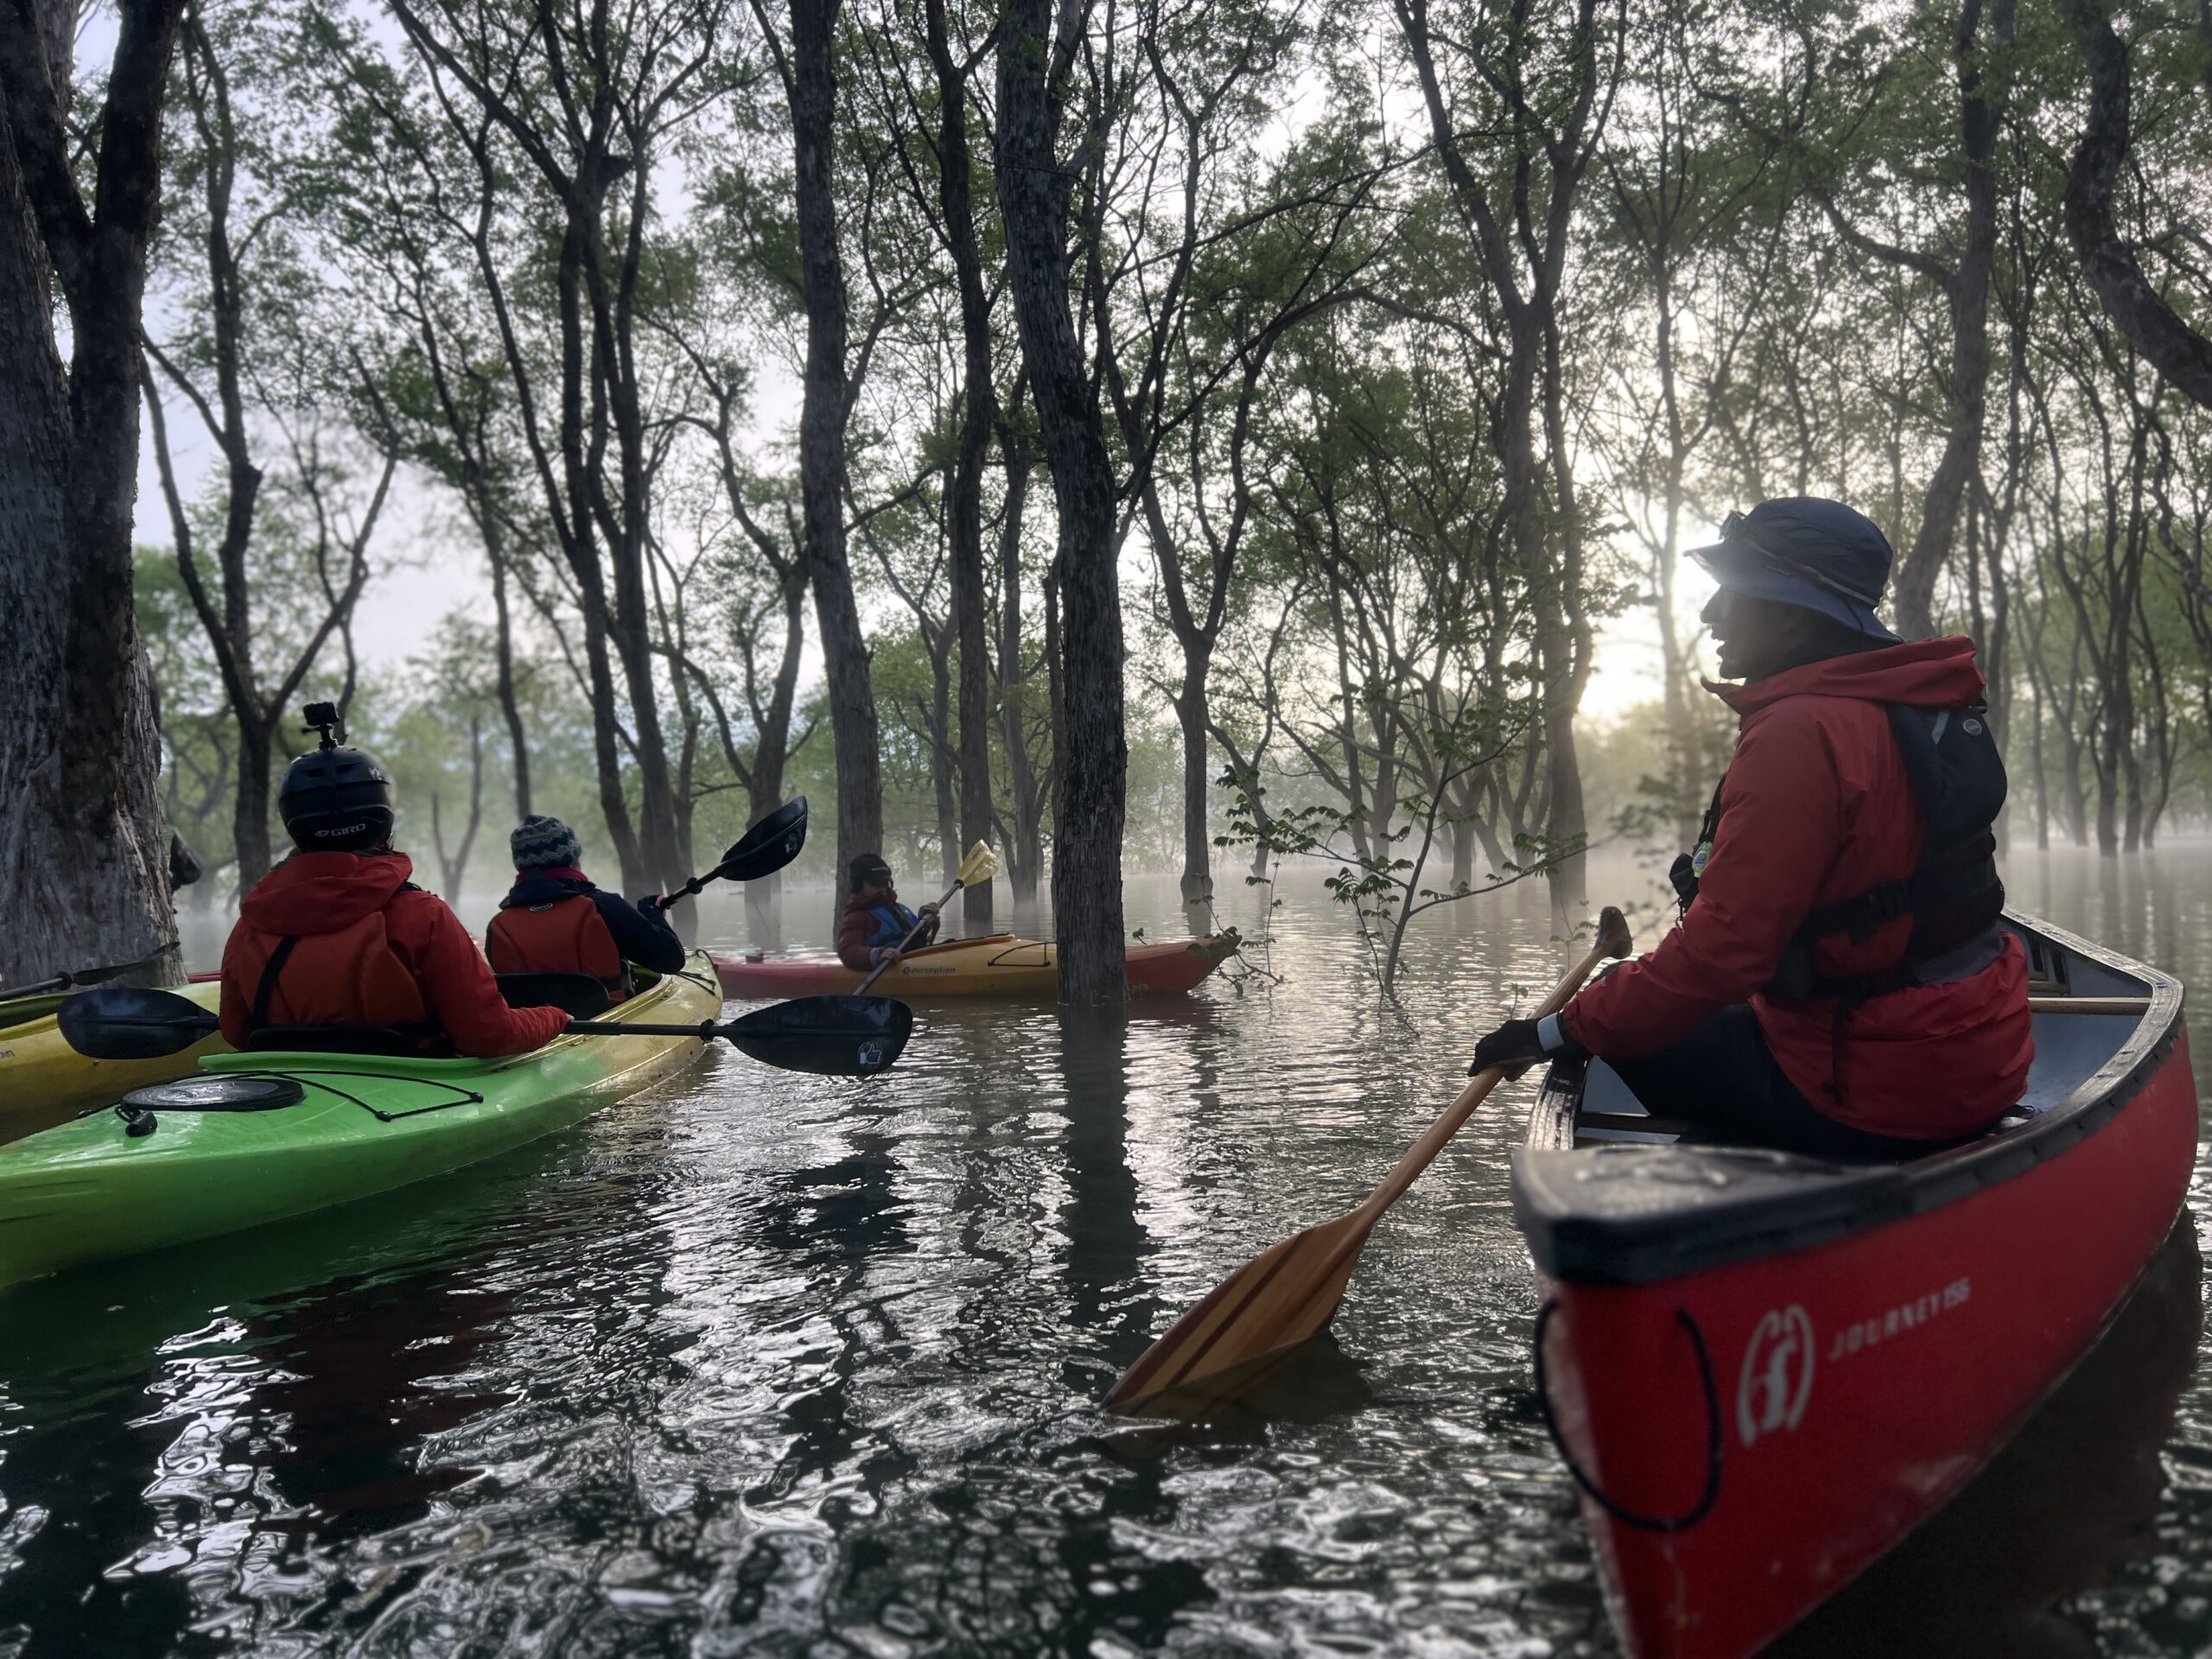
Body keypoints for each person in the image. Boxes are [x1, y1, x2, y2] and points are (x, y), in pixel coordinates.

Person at [1471, 498, 2033, 1160]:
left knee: (1621, 1033)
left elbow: (1722, 957)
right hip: (1987, 1057)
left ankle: (1764, 1177)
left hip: (1881, 1090)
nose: (1710, 614)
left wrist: (1550, 1034)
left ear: (1793, 617)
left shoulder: (1801, 730)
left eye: (1731, 594)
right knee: (1662, 1012)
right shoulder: (1907, 702)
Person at [219, 704, 570, 1058]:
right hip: (417, 1093)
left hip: (295, 1090)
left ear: (293, 824)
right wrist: (554, 1017)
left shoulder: (250, 927)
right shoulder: (424, 917)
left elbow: (236, 1033)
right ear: (383, 819)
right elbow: (488, 1036)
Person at [485, 816, 687, 1001]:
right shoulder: (604, 906)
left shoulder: (497, 927)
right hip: (608, 1023)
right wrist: (652, 913)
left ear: (520, 867)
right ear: (573, 860)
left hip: (536, 1034)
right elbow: (672, 960)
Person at [836, 854, 940, 972]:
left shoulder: (901, 909)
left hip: (916, 963)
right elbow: (847, 950)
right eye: (875, 883)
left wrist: (927, 920)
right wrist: (877, 955)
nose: (883, 888)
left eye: (886, 883)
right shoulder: (857, 918)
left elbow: (924, 941)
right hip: (891, 968)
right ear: (859, 885)